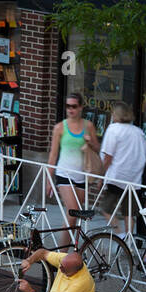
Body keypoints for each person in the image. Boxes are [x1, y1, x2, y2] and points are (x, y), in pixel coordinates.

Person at [45, 90, 101, 248]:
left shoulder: (88, 126)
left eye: (74, 106)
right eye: (68, 106)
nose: (70, 109)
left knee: (74, 217)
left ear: (81, 107)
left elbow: (97, 148)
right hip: (64, 174)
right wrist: (49, 180)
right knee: (73, 210)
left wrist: (90, 142)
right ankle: (62, 255)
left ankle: (73, 253)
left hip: (81, 176)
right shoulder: (59, 128)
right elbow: (53, 155)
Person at [98, 102, 146, 236]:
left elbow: (108, 156)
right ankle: (128, 240)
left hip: (116, 177)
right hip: (134, 179)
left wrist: (101, 177)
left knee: (106, 209)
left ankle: (118, 234)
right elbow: (145, 155)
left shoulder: (113, 129)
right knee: (129, 213)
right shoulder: (138, 132)